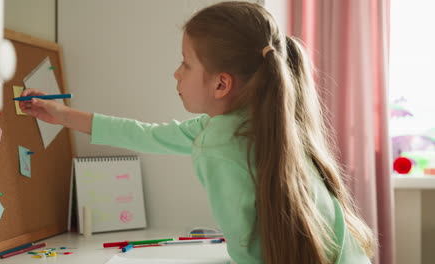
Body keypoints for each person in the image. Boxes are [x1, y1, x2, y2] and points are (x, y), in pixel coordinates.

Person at [20, 2, 375, 263]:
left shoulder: (219, 145)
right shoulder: (257, 118)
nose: (176, 74)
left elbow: (245, 250)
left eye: (185, 63)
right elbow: (146, 134)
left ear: (221, 84)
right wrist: (62, 114)